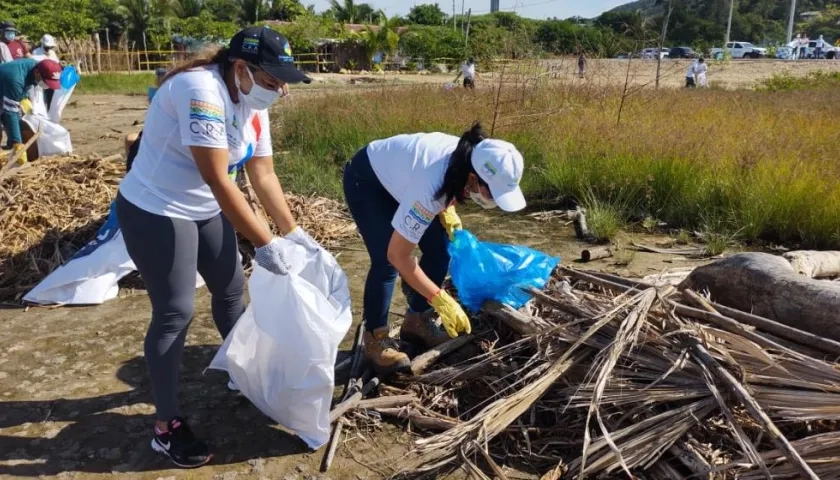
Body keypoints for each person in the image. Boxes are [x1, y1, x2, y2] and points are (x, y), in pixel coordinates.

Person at [115, 26, 313, 468]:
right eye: (271, 80)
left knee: (229, 291)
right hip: (156, 208)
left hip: (205, 206)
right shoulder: (199, 89)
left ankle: (241, 375)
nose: (279, 90)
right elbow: (220, 178)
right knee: (175, 311)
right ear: (240, 68)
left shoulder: (253, 104)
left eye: (283, 81)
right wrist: (265, 242)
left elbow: (262, 175)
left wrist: (293, 233)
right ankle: (166, 429)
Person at [342, 122, 527, 374]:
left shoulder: (467, 158)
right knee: (386, 262)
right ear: (474, 178)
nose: (493, 200)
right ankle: (376, 340)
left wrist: (448, 211)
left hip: (406, 182)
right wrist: (438, 297)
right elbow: (398, 255)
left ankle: (416, 320)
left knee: (441, 249)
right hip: (368, 182)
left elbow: (446, 184)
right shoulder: (431, 187)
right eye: (492, 194)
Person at [0, 58, 62, 162]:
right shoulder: (16, 79)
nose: (46, 85)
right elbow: (10, 113)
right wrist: (17, 143)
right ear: (37, 72)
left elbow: (27, 84)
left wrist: (23, 97)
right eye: (45, 81)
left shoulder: (34, 66)